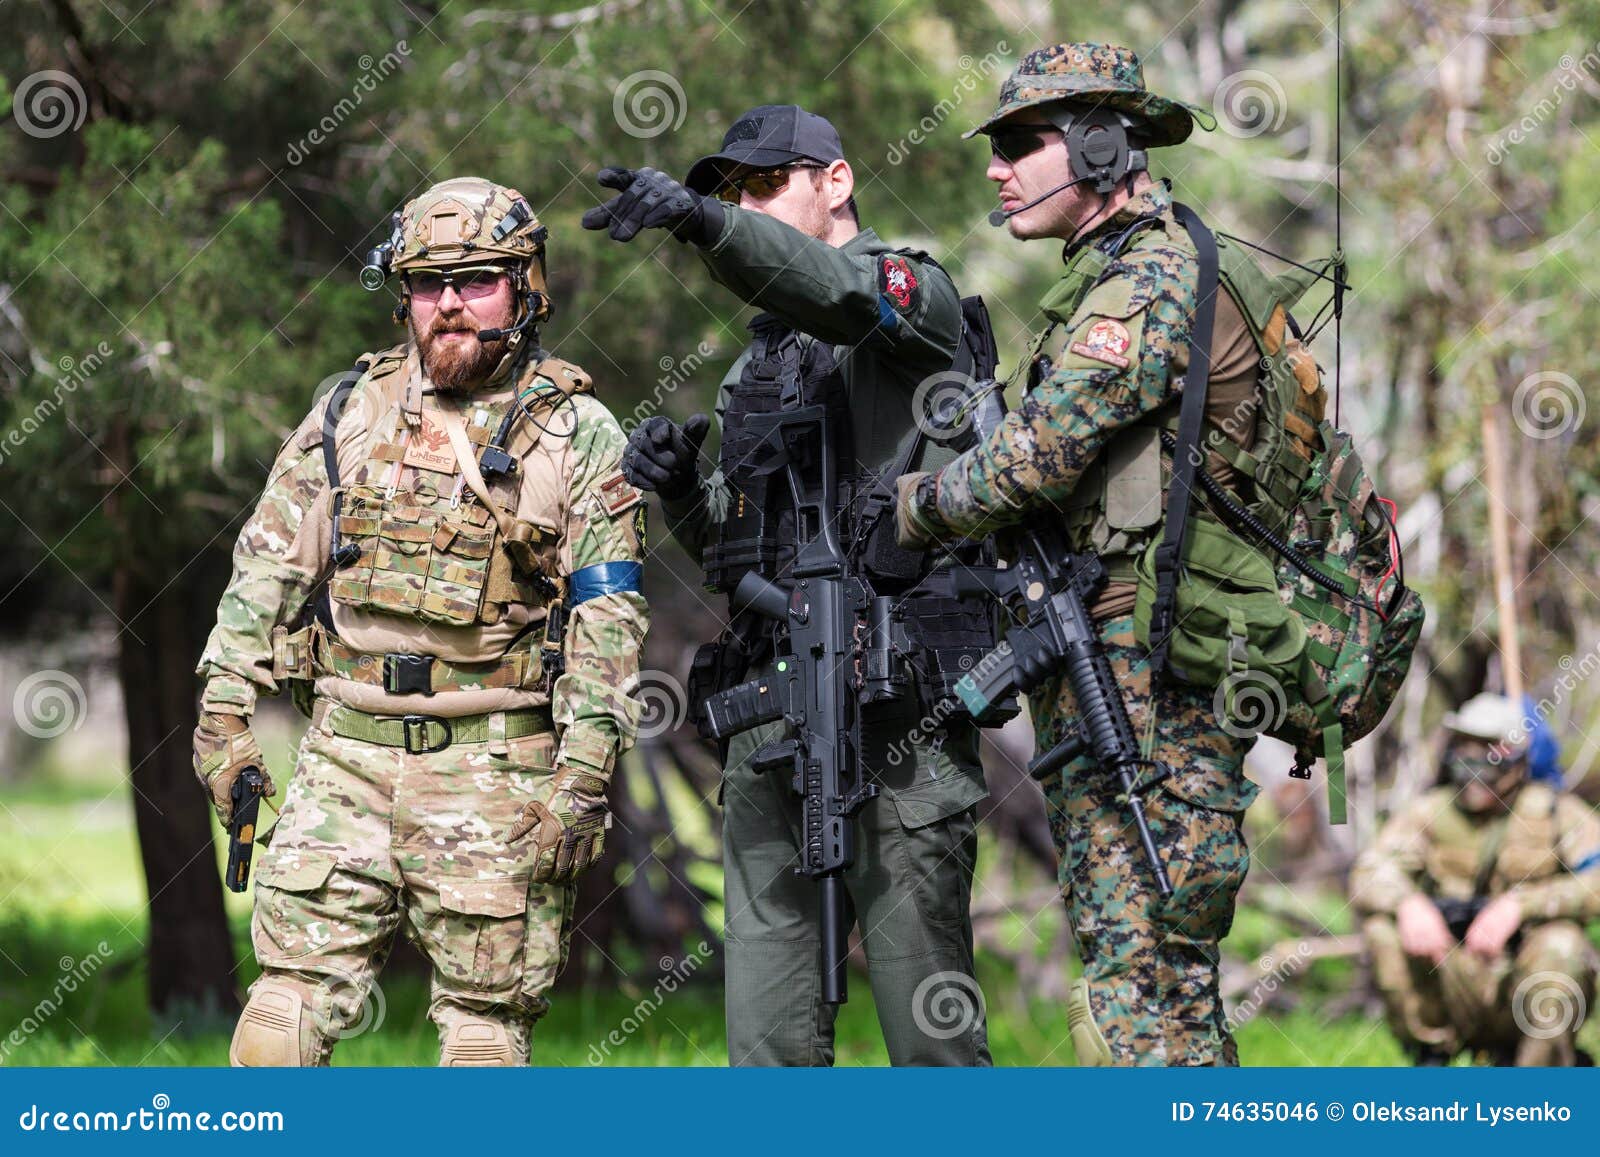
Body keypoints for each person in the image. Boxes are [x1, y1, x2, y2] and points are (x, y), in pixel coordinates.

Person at [192, 177, 647, 1066]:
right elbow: (267, 567)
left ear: (526, 286)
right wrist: (223, 720)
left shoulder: (577, 432)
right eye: (426, 282)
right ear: (401, 294)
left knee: (482, 1043)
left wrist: (584, 777)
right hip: (343, 758)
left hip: (496, 766)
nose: (447, 303)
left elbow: (608, 624)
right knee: (276, 1028)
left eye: (475, 279)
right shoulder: (347, 413)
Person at [583, 104, 991, 1065]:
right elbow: (739, 549)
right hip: (774, 721)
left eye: (766, 183)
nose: (747, 203)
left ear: (837, 181)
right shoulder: (758, 363)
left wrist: (702, 222)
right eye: (733, 191)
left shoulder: (913, 298)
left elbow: (838, 292)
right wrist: (684, 491)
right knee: (766, 1050)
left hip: (899, 724)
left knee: (931, 1047)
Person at [894, 43, 1271, 1066]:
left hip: (1153, 678)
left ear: (1101, 147)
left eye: (1021, 143)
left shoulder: (1147, 282)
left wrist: (908, 508)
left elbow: (1026, 464)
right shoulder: (1130, 271)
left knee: (1137, 985)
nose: (995, 169)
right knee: (1155, 975)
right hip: (1135, 663)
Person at [1351, 692, 1600, 1065]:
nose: (1474, 766)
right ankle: (1432, 1059)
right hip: (1454, 973)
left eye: (1488, 752)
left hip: (1522, 973)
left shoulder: (1556, 812)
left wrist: (1522, 906)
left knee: (1562, 944)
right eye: (1465, 750)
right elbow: (1370, 872)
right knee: (1382, 931)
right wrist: (1409, 905)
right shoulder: (1430, 811)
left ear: (1516, 759)